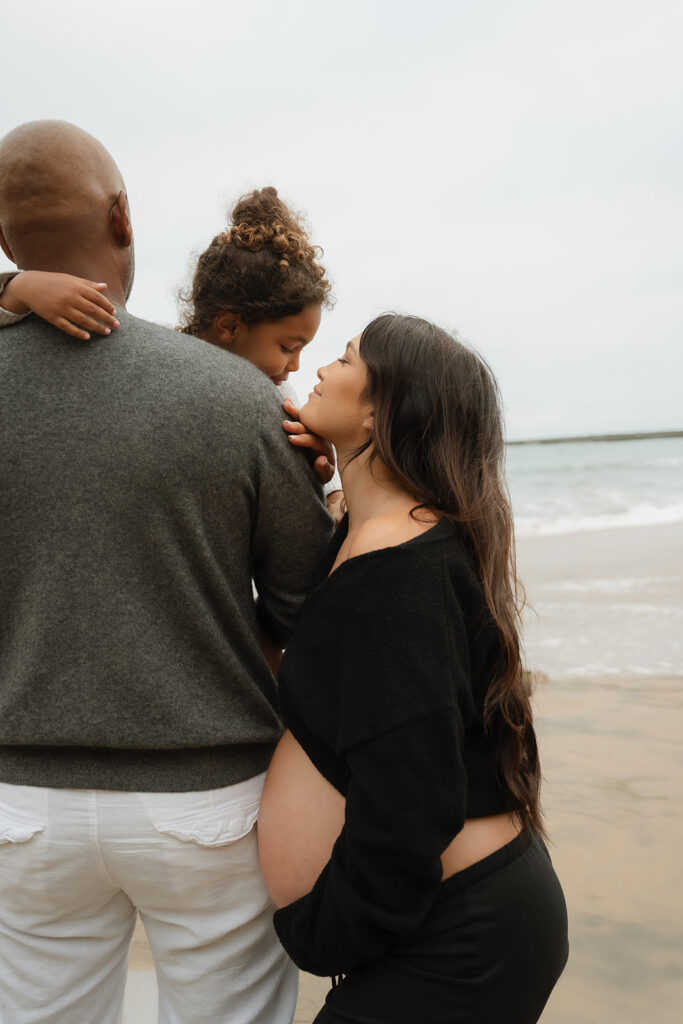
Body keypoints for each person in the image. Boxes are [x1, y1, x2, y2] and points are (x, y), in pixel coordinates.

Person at [0, 120, 333, 1024]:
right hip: (207, 797)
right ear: (122, 216)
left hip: (21, 801)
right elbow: (310, 609)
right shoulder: (239, 398)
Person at [257, 314, 569, 1023]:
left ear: (381, 409)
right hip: (449, 921)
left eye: (345, 358)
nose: (321, 369)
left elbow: (412, 796)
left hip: (457, 939)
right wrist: (334, 478)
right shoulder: (387, 535)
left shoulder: (398, 572)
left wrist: (332, 932)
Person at [0, 184, 344, 521]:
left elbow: (316, 486)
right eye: (287, 347)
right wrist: (18, 286)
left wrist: (329, 487)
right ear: (229, 326)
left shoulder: (278, 397)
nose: (296, 365)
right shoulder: (150, 355)